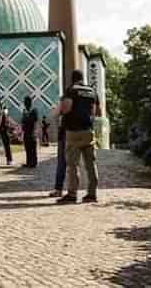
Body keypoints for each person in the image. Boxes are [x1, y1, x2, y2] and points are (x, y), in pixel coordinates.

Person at [57, 69, 100, 204]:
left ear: (72, 79)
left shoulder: (71, 90)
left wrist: (61, 108)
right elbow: (97, 112)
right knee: (91, 164)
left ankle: (72, 194)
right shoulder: (92, 91)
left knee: (72, 164)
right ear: (83, 78)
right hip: (88, 131)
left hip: (73, 132)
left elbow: (66, 109)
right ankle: (92, 194)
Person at [49, 97, 67, 197]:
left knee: (62, 163)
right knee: (74, 164)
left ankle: (59, 189)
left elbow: (53, 114)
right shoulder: (88, 93)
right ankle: (91, 192)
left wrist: (55, 108)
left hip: (65, 134)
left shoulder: (67, 97)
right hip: (82, 131)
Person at [0, 95, 13, 165]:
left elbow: (5, 113)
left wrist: (1, 111)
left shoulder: (4, 106)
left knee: (6, 144)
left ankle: (9, 159)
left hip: (4, 127)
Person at [21, 96, 39, 168]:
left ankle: (33, 162)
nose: (25, 103)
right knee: (27, 147)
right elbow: (23, 121)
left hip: (32, 131)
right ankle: (28, 162)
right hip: (26, 132)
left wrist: (35, 131)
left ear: (30, 102)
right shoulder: (24, 111)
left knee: (32, 147)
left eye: (26, 102)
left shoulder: (34, 110)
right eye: (24, 102)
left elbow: (35, 121)